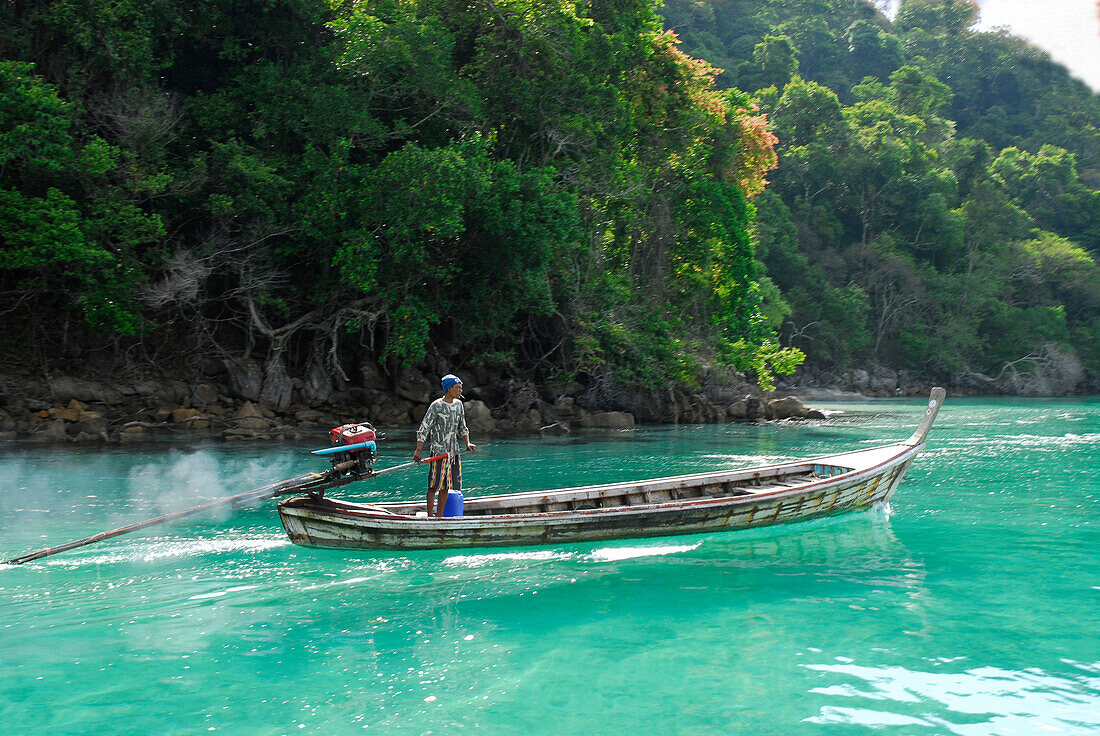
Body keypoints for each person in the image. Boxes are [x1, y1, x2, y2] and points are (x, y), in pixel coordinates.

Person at [413, 374, 476, 517]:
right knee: (433, 486)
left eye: (461, 388)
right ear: (449, 389)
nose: (460, 391)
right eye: (457, 388)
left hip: (453, 452)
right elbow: (424, 428)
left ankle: (439, 517)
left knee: (446, 486)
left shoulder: (459, 405)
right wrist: (418, 450)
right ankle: (430, 516)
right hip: (438, 452)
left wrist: (467, 443)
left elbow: (462, 427)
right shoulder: (437, 406)